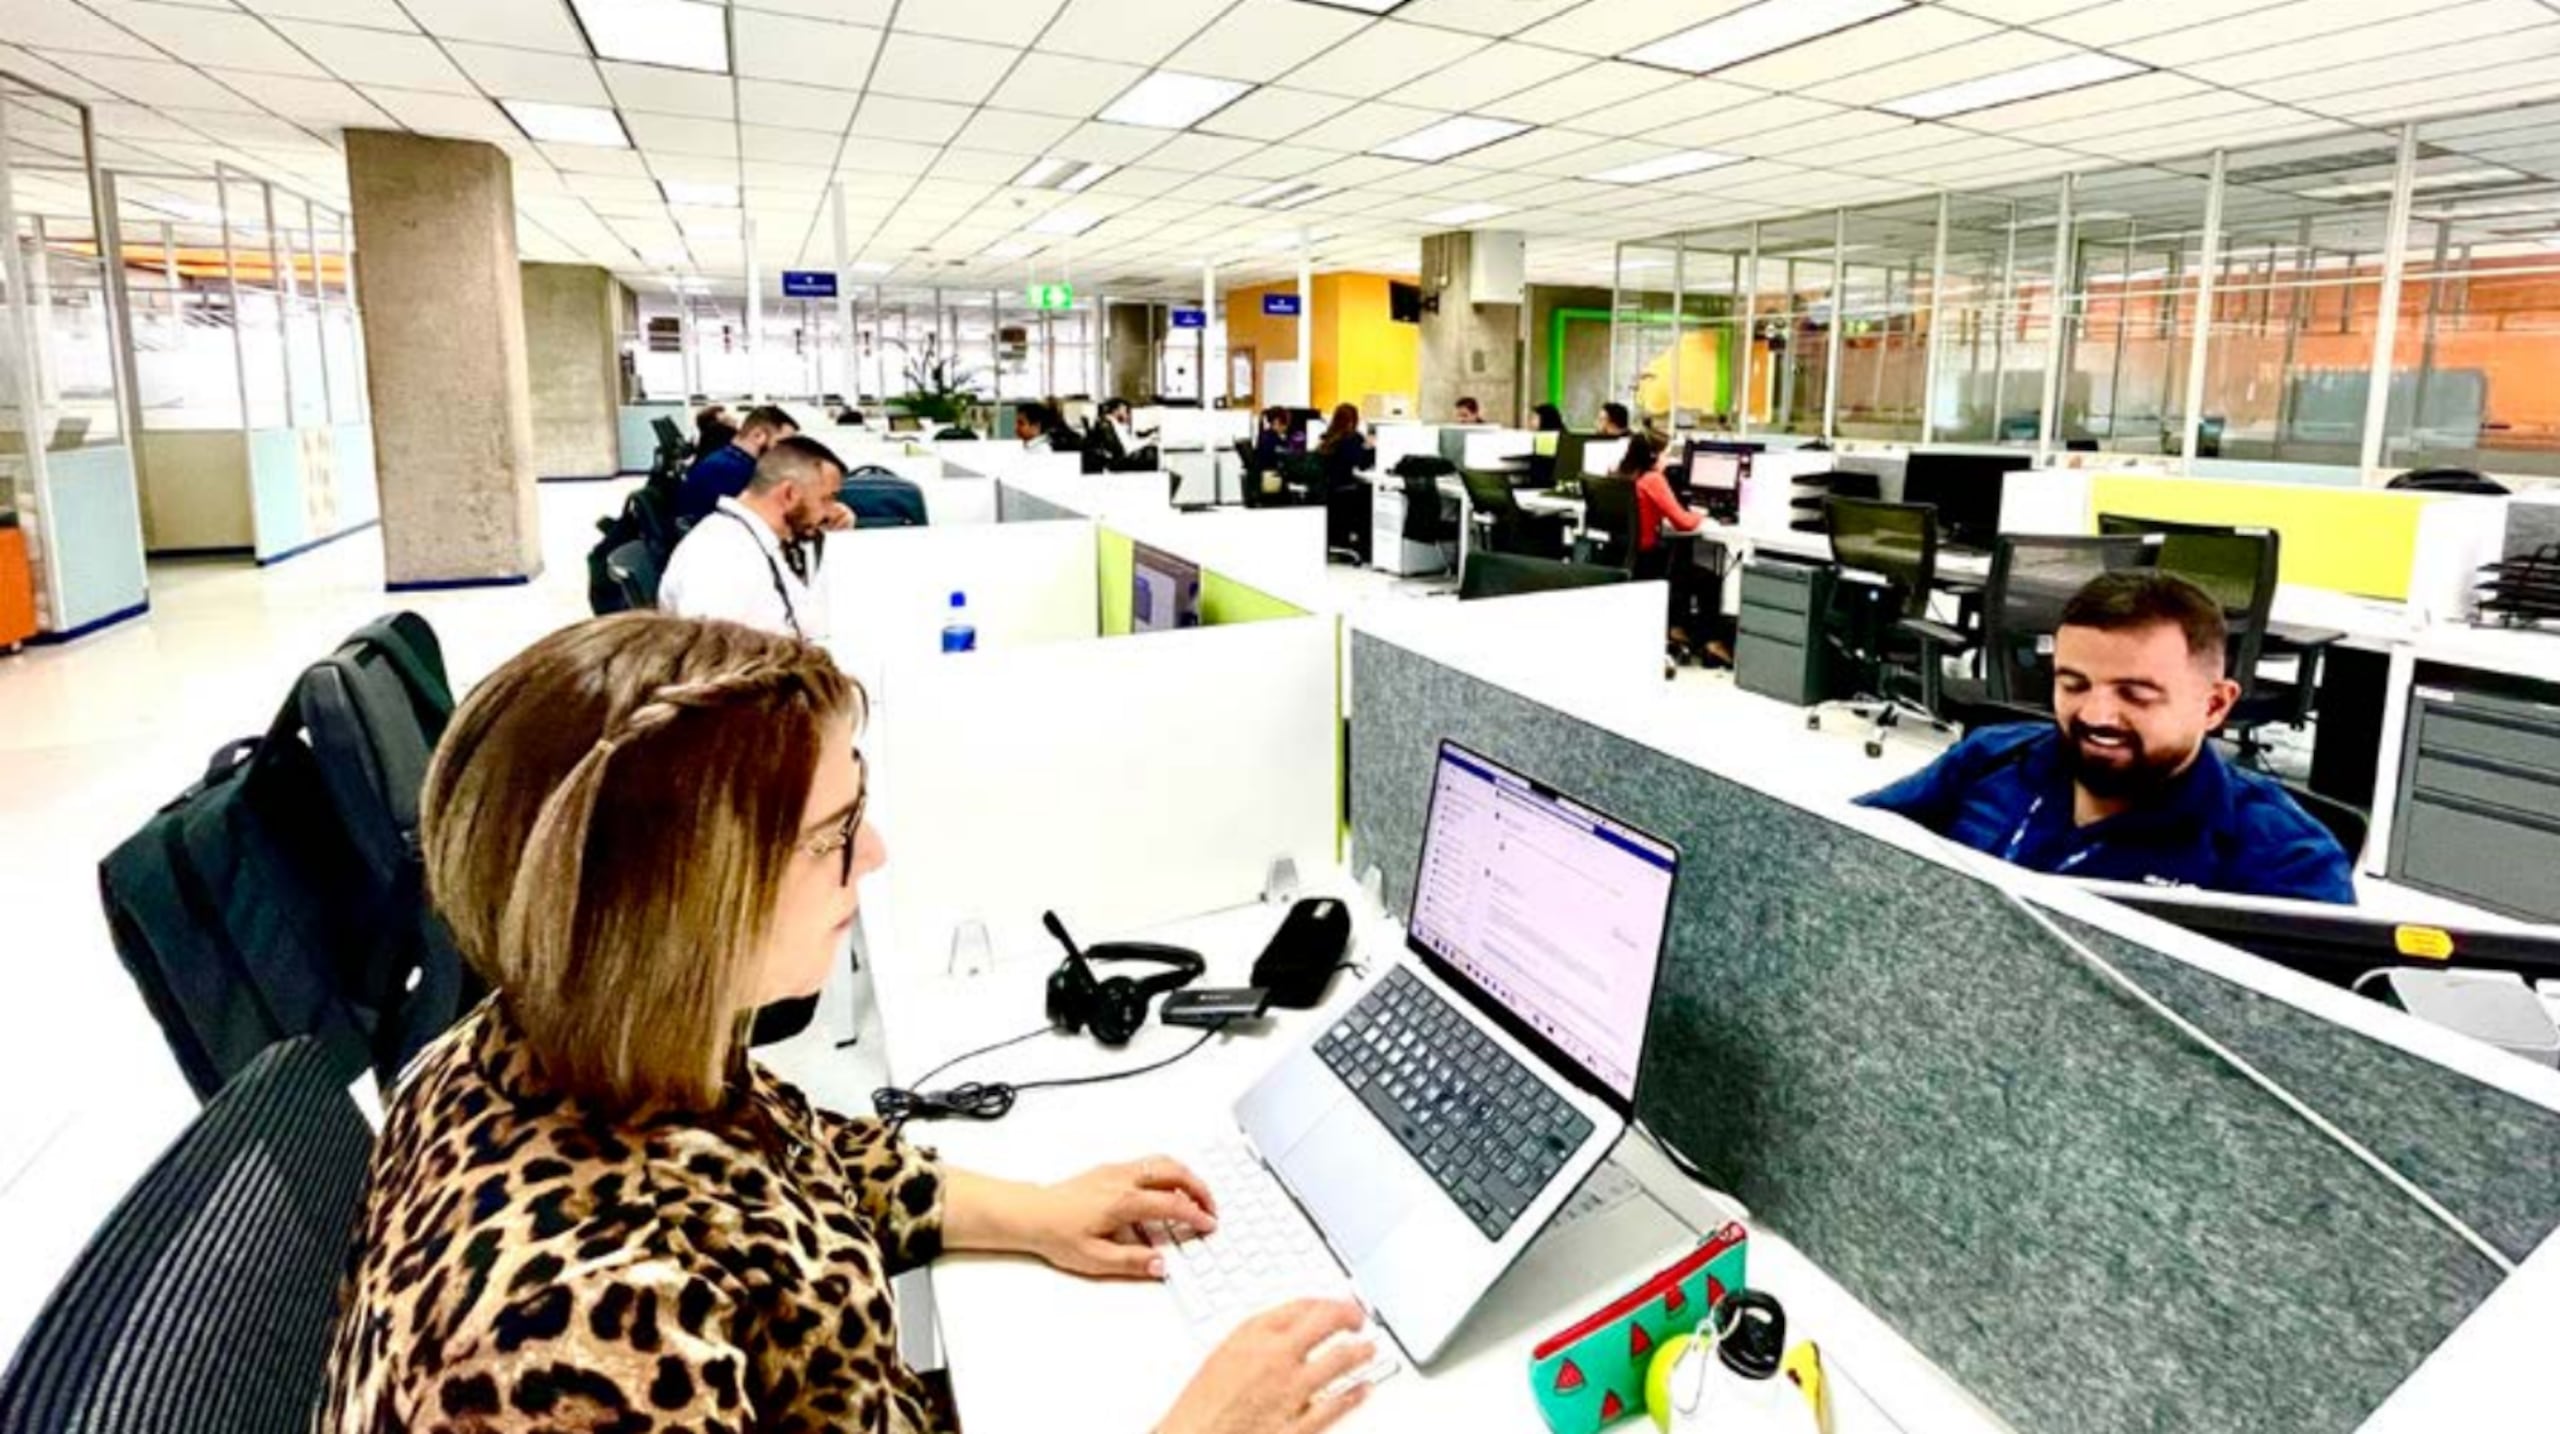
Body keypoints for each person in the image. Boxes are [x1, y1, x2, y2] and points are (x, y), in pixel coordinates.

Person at [319, 613, 1379, 1434]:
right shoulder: (577, 1345)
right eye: (831, 835)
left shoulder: (551, 1048)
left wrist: (1033, 1212)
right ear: (679, 907)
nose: (872, 857)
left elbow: (794, 1165)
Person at [1858, 570, 2356, 904]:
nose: (2096, 715)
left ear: (2214, 706)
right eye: (2073, 685)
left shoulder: (2285, 860)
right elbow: (1841, 839)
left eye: (2136, 695)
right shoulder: (1992, 757)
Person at [661, 435, 853, 642]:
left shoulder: (751, 536)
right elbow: (717, 655)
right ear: (789, 494)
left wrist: (818, 533)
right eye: (826, 499)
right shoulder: (723, 557)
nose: (831, 512)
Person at [679, 404, 796, 522]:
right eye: (781, 444)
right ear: (758, 436)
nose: (786, 452)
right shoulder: (731, 471)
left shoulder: (727, 461)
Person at [1315, 402, 1371, 486]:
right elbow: (1362, 465)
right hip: (1342, 486)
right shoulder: (1352, 438)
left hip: (1325, 486)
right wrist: (1369, 448)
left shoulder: (1327, 436)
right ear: (1354, 420)